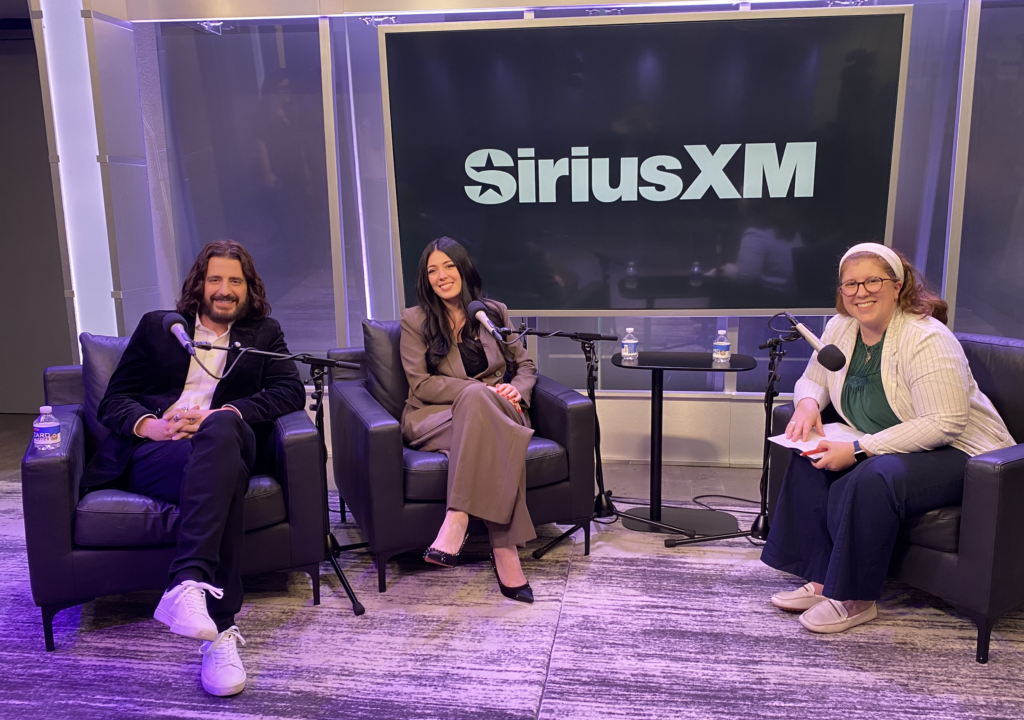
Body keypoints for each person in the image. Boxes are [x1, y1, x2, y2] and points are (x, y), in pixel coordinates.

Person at [81, 240, 305, 695]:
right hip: (160, 454)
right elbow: (114, 400)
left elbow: (290, 393)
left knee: (220, 435)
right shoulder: (161, 328)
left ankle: (188, 585)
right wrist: (150, 427)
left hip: (227, 440)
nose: (225, 290)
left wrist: (224, 414)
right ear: (199, 285)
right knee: (224, 479)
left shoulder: (264, 334)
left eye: (235, 281)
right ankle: (220, 632)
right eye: (216, 279)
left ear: (249, 288)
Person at [761, 243, 1014, 634]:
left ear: (897, 286)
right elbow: (814, 377)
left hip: (960, 451)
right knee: (810, 453)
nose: (861, 292)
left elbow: (944, 421)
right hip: (886, 438)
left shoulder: (926, 337)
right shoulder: (841, 328)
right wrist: (808, 405)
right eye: (850, 284)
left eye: (872, 281)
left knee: (873, 477)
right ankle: (823, 578)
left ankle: (856, 599)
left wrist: (860, 449)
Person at [399, 236, 538, 603]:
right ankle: (505, 552)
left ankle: (457, 517)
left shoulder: (493, 311)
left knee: (487, 413)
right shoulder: (415, 320)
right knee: (485, 413)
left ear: (464, 268)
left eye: (448, 266)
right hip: (437, 417)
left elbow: (524, 364)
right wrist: (477, 391)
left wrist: (516, 391)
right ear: (425, 280)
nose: (441, 276)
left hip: (500, 409)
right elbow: (421, 383)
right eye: (432, 271)